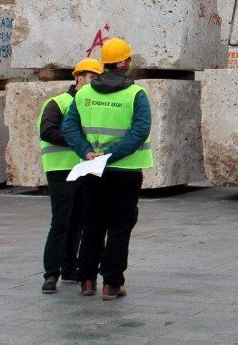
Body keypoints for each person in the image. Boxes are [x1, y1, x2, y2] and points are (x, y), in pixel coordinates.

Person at [62, 37, 152, 300]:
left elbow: (69, 127)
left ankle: (87, 280)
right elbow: (139, 132)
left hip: (92, 169)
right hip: (126, 171)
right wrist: (111, 156)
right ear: (125, 63)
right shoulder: (136, 94)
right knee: (120, 227)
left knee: (92, 224)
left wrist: (87, 152)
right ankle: (111, 283)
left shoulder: (84, 93)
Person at [39, 57, 104, 294]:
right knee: (61, 222)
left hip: (84, 169)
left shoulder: (91, 105)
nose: (94, 82)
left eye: (98, 79)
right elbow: (47, 131)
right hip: (61, 169)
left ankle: (69, 268)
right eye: (91, 78)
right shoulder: (58, 103)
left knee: (78, 221)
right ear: (78, 78)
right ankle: (50, 275)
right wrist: (79, 143)